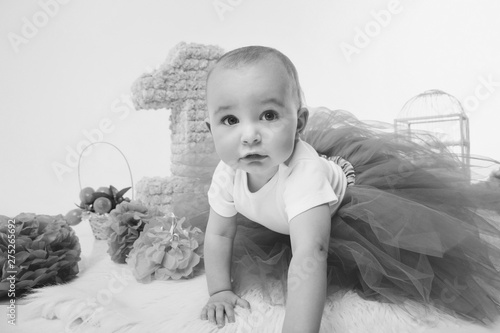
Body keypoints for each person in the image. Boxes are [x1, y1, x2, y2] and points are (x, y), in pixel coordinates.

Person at [199, 45, 500, 332]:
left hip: (345, 205)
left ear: (299, 122)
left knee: (387, 248)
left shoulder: (303, 175)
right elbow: (220, 232)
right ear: (210, 129)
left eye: (269, 115)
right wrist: (220, 290)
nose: (249, 135)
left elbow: (309, 254)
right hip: (289, 213)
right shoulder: (228, 171)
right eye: (230, 120)